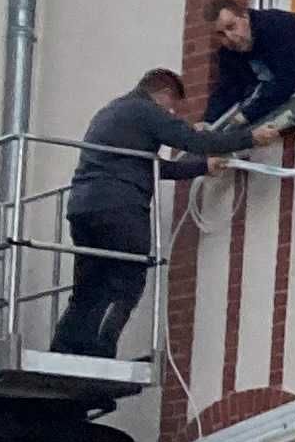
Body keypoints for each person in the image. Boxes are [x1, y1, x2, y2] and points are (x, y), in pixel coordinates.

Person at [54, 66, 255, 357]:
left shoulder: (111, 112)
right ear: (164, 95)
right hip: (121, 207)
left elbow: (149, 166)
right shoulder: (145, 111)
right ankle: (100, 349)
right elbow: (196, 142)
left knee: (89, 286)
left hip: (84, 206)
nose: (172, 114)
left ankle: (64, 347)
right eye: (173, 108)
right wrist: (250, 138)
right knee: (128, 278)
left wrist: (202, 167)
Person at [204, 0, 295, 126]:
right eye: (221, 34)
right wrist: (208, 122)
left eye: (231, 27)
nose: (230, 37)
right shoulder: (229, 53)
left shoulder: (276, 26)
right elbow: (227, 90)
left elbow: (291, 77)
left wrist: (248, 114)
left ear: (245, 15)